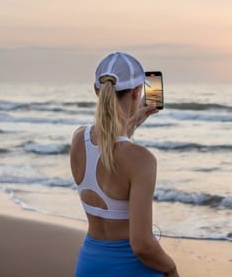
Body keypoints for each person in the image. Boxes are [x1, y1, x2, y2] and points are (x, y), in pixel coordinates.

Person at [70, 52, 179, 276]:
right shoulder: (141, 159)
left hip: (89, 265)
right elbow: (142, 246)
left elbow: (109, 150)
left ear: (97, 91)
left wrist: (135, 121)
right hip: (131, 269)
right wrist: (172, 269)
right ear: (138, 92)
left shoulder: (79, 139)